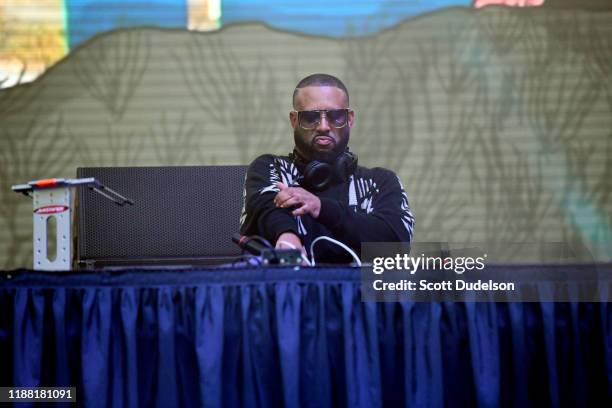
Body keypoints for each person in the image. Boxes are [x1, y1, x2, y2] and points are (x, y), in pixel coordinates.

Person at [239, 73, 415, 263]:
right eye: (310, 117)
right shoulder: (271, 167)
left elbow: (397, 241)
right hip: (290, 288)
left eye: (336, 116)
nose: (323, 126)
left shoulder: (380, 181)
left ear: (349, 119)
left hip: (358, 291)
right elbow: (266, 208)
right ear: (294, 120)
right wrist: (287, 237)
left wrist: (321, 207)